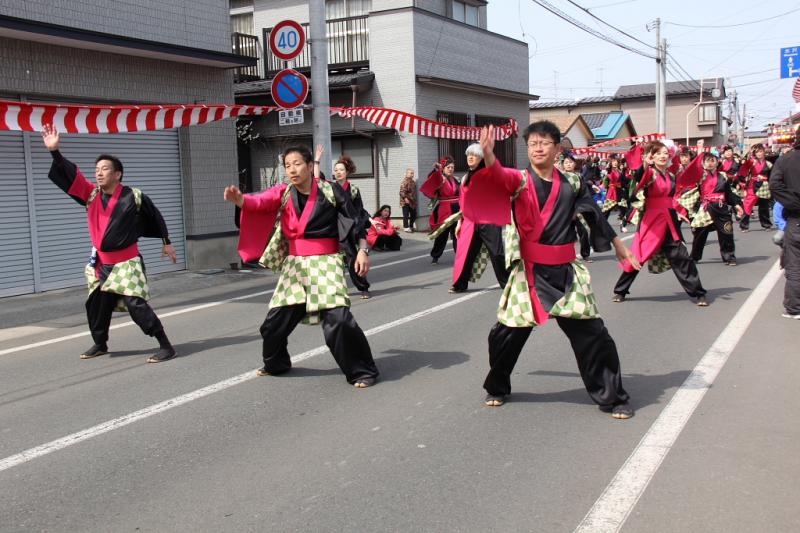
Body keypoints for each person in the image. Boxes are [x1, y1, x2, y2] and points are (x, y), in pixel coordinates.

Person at [463, 121, 638, 419]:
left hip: (566, 272)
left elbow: (594, 215)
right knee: (505, 335)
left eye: (544, 142)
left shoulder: (572, 182)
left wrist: (619, 246)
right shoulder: (518, 180)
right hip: (528, 273)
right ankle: (498, 384)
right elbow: (498, 176)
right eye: (532, 143)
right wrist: (490, 157)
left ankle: (611, 395)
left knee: (595, 335)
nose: (538, 147)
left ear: (557, 149)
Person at [225, 145, 380, 386]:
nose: (292, 170)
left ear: (310, 166)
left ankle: (363, 371)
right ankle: (276, 363)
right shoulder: (283, 192)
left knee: (338, 320)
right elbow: (260, 203)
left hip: (325, 263)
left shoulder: (330, 191)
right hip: (295, 266)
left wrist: (362, 250)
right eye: (287, 166)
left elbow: (356, 219)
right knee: (273, 324)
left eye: (297, 163)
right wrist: (241, 201)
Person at [41, 125, 177, 362]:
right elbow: (72, 176)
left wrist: (166, 242)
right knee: (97, 305)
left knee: (136, 305)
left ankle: (165, 345)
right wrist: (55, 152)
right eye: (97, 170)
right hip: (101, 265)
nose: (99, 173)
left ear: (118, 174)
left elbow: (155, 216)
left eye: (105, 169)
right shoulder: (90, 195)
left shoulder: (134, 195)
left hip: (127, 263)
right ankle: (100, 343)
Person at [613, 141, 709, 306]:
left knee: (682, 256)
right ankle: (620, 290)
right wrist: (644, 163)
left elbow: (676, 194)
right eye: (658, 153)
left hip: (670, 219)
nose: (663, 156)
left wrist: (679, 210)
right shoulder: (650, 172)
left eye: (665, 153)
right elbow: (638, 177)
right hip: (651, 221)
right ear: (652, 156)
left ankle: (698, 292)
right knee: (638, 256)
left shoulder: (671, 175)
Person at [445, 143, 509, 293]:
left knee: (497, 252)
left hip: (489, 220)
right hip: (470, 221)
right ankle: (459, 284)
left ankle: (506, 284)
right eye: (468, 155)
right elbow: (463, 202)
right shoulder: (466, 177)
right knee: (466, 252)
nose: (470, 158)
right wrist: (460, 222)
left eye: (474, 155)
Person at [315, 147, 372, 299]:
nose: (338, 172)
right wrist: (317, 161)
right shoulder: (330, 186)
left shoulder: (353, 190)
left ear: (347, 172)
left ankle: (363, 286)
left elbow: (359, 210)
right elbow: (316, 181)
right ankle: (332, 289)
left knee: (353, 258)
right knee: (328, 260)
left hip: (349, 227)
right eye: (336, 169)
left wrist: (361, 225)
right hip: (332, 226)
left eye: (341, 169)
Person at [678, 150, 744, 265]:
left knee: (726, 233)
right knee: (699, 234)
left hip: (721, 207)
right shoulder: (700, 176)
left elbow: (728, 193)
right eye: (707, 161)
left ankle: (729, 257)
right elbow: (688, 182)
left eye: (712, 160)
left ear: (717, 161)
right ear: (703, 163)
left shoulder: (723, 176)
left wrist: (736, 205)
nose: (710, 163)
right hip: (705, 208)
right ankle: (694, 257)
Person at [769, 127, 800, 319]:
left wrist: (793, 202)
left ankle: (795, 307)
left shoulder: (787, 159)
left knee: (795, 264)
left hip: (796, 218)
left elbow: (775, 184)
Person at [420, 156, 460, 264]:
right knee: (442, 234)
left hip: (457, 208)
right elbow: (431, 179)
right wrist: (436, 170)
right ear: (444, 168)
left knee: (458, 234)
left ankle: (460, 256)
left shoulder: (456, 179)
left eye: (452, 167)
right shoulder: (440, 178)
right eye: (448, 167)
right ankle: (435, 256)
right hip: (445, 209)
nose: (451, 169)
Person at [563, 153, 593, 262]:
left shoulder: (579, 176)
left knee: (584, 231)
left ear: (574, 164)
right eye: (566, 163)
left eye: (570, 162)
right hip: (564, 209)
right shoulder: (559, 177)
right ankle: (568, 255)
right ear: (563, 165)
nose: (568, 164)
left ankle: (585, 254)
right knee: (567, 233)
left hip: (578, 208)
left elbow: (584, 193)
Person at [738, 144, 773, 231]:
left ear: (764, 152)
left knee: (764, 206)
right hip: (752, 185)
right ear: (755, 153)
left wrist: (766, 179)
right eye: (757, 152)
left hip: (764, 185)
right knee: (747, 205)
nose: (759, 154)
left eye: (761, 151)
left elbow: (773, 175)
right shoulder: (751, 162)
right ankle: (744, 225)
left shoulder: (768, 164)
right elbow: (743, 166)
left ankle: (766, 225)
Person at [602, 157, 630, 233]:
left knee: (624, 210)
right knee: (606, 211)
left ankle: (623, 226)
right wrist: (609, 167)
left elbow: (624, 181)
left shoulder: (620, 171)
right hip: (612, 192)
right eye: (613, 161)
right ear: (611, 163)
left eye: (616, 161)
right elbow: (608, 175)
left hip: (620, 192)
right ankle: (602, 227)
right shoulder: (609, 170)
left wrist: (629, 178)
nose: (615, 162)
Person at [399, 168, 418, 233]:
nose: (412, 174)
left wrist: (415, 201)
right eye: (411, 173)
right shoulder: (404, 182)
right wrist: (405, 198)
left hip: (412, 202)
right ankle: (406, 227)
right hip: (405, 202)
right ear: (407, 174)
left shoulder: (413, 182)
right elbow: (401, 192)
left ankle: (411, 226)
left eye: (413, 173)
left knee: (414, 214)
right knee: (406, 215)